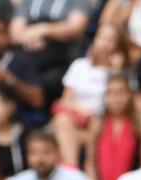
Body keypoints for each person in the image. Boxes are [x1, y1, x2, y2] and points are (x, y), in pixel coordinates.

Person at [52, 20, 125, 166]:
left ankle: (84, 169)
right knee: (62, 120)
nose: (104, 43)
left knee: (93, 126)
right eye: (101, 37)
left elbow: (117, 101)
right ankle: (72, 169)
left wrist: (116, 71)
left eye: (110, 40)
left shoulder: (118, 73)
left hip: (101, 119)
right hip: (76, 116)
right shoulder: (79, 65)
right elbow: (66, 100)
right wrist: (81, 110)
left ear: (118, 46)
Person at [9, 0, 90, 104]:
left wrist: (43, 30)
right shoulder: (28, 2)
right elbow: (14, 33)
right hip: (27, 54)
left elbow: (75, 28)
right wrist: (31, 38)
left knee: (48, 81)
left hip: (60, 59)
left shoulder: (76, 2)